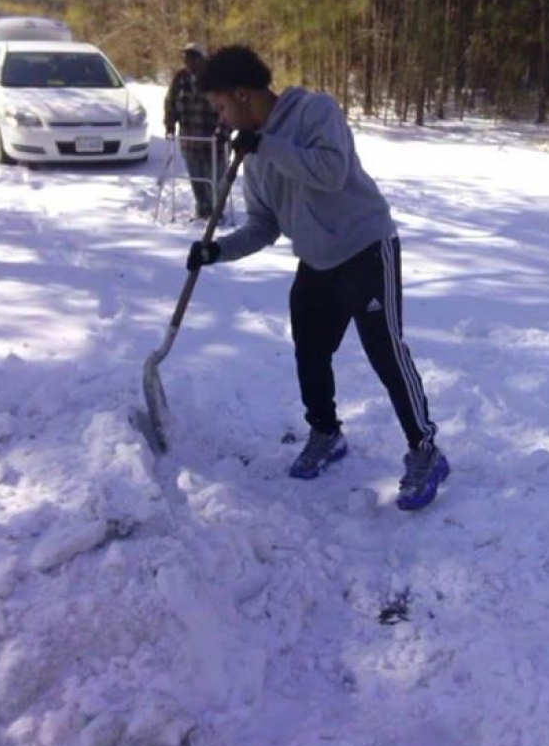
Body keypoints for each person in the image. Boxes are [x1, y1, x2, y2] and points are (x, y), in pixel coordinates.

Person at [187, 44, 450, 511]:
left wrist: (267, 145)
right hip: (316, 261)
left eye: (222, 106)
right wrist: (217, 250)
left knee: (386, 353)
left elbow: (329, 172)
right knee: (310, 351)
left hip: (366, 250)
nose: (222, 119)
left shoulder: (315, 111)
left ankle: (425, 450)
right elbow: (264, 225)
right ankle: (326, 434)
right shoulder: (254, 153)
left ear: (244, 94)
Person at [164, 42, 227, 220]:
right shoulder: (180, 78)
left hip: (214, 140)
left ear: (202, 59)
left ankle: (217, 212)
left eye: (192, 57)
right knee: (197, 177)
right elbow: (170, 102)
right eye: (186, 57)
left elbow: (227, 108)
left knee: (216, 179)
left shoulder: (216, 79)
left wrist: (223, 131)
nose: (188, 61)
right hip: (190, 139)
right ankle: (203, 209)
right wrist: (169, 123)